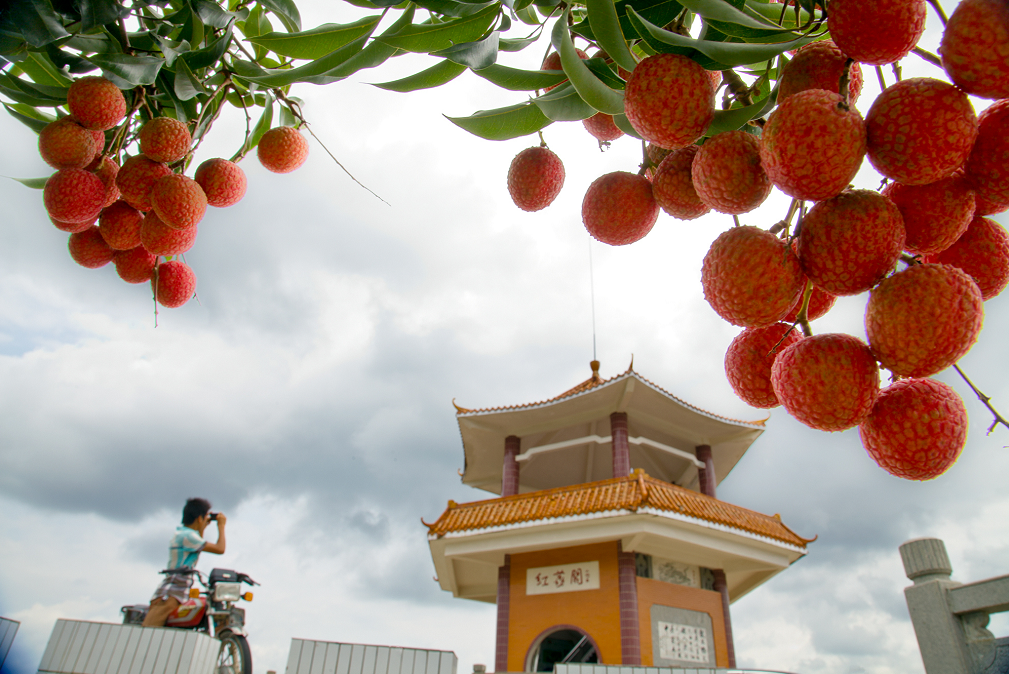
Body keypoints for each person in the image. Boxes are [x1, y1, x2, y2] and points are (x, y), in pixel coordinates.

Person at [142, 497, 227, 627]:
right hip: (170, 595)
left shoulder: (185, 534)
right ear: (199, 518)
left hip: (178, 593)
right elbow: (220, 549)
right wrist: (221, 526)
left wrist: (202, 527)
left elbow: (198, 544)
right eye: (205, 517)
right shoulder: (187, 536)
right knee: (149, 632)